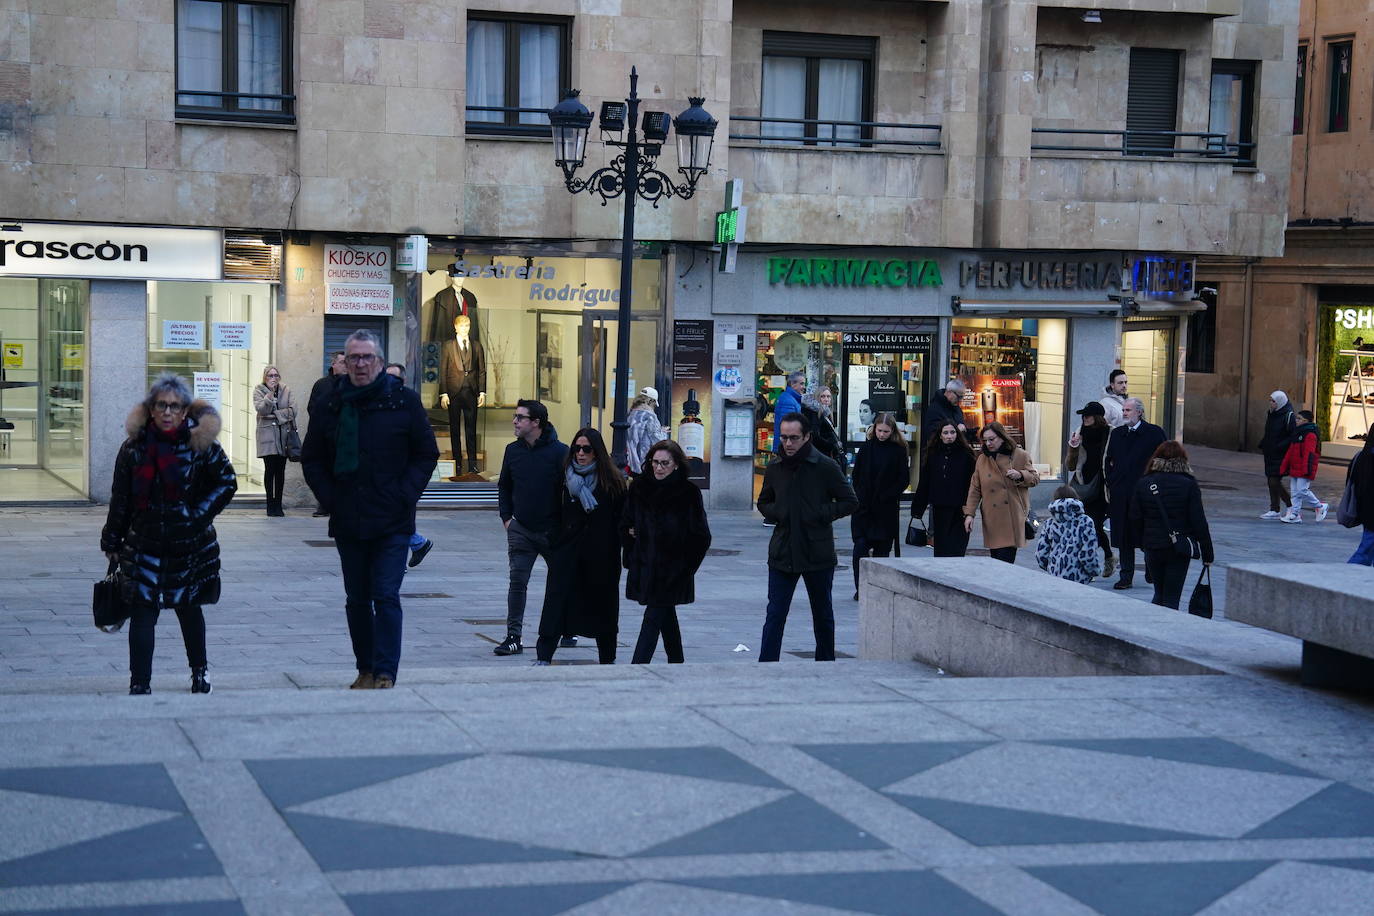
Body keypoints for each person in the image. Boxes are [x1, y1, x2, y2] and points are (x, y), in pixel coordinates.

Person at [301, 330, 439, 690]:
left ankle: (385, 673)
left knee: (386, 595)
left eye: (367, 357)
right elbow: (312, 457)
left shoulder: (403, 401)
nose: (360, 364)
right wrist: (330, 498)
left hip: (393, 519)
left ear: (378, 362)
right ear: (344, 362)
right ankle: (365, 667)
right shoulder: (331, 402)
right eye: (353, 358)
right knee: (357, 599)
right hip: (349, 516)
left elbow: (427, 454)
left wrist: (404, 494)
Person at [101, 373, 237, 695]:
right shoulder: (133, 448)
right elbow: (121, 497)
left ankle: (200, 673)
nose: (167, 412)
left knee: (189, 608)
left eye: (174, 406)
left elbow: (227, 482)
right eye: (161, 405)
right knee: (142, 610)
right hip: (144, 541)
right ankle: (140, 682)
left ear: (185, 411)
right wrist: (112, 539)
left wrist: (197, 515)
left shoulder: (200, 446)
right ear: (151, 409)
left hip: (188, 544)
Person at [757, 412, 858, 662]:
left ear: (807, 437)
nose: (788, 443)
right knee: (775, 614)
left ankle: (825, 663)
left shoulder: (824, 465)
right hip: (783, 551)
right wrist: (781, 512)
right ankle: (766, 664)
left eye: (794, 438)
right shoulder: (775, 466)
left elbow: (849, 501)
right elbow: (764, 502)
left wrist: (819, 513)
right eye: (784, 438)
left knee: (822, 614)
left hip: (817, 551)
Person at [534, 428, 627, 665]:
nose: (581, 453)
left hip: (601, 556)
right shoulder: (564, 479)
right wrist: (554, 541)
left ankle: (608, 658)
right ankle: (544, 655)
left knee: (603, 605)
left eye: (586, 449)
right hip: (567, 552)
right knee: (557, 603)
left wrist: (615, 545)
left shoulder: (613, 481)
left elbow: (622, 519)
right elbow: (552, 512)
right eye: (577, 448)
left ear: (597, 452)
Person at [621, 440, 712, 663]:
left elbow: (701, 536)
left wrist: (685, 568)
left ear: (676, 465)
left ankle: (638, 666)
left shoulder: (688, 492)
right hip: (645, 565)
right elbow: (624, 522)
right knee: (665, 614)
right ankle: (677, 661)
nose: (659, 468)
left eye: (664, 463)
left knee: (653, 616)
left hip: (673, 569)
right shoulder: (639, 487)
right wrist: (631, 538)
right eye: (655, 463)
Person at [495, 398, 569, 656]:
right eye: (515, 417)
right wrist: (507, 518)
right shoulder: (512, 451)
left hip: (552, 530)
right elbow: (504, 485)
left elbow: (568, 491)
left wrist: (563, 526)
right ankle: (513, 636)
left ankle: (565, 627)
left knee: (561, 581)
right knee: (517, 582)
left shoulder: (560, 452)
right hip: (521, 529)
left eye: (520, 417)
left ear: (536, 422)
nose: (515, 421)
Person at [1129, 441, 1214, 609]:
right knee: (1172, 597)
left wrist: (1142, 543)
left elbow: (1135, 518)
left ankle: (1154, 630)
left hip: (1153, 545)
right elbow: (1199, 521)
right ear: (1182, 460)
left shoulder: (1144, 483)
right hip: (1179, 548)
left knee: (1158, 594)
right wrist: (1207, 553)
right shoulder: (1189, 484)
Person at [1103, 397, 1167, 588]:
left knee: (1146, 532)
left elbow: (1163, 460)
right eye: (1123, 410)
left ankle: (1151, 568)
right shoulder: (1118, 434)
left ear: (1139, 412)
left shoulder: (1154, 433)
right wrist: (1112, 481)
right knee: (1124, 536)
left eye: (1128, 410)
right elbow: (1109, 460)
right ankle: (1126, 575)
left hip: (1144, 493)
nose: (1124, 414)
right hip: (1121, 494)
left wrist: (1154, 483)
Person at [849, 413, 909, 600]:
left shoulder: (898, 450)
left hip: (885, 509)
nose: (882, 434)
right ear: (874, 429)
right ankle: (861, 587)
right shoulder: (866, 449)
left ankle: (879, 587)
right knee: (860, 547)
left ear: (892, 432)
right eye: (879, 430)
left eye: (886, 431)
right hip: (864, 507)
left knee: (883, 551)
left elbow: (903, 479)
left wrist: (888, 495)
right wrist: (859, 495)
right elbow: (857, 475)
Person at [963, 421, 1040, 563]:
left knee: (1005, 561)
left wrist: (1021, 475)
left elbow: (1035, 478)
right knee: (996, 560)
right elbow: (975, 488)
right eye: (985, 440)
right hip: (992, 517)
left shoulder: (1020, 455)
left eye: (992, 439)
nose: (988, 443)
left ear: (1002, 437)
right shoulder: (982, 459)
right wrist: (969, 514)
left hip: (1011, 517)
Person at [385, 363, 433, 567]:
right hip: (382, 477)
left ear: (403, 381)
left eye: (393, 378)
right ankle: (418, 543)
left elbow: (426, 450)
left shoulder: (411, 403)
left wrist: (412, 484)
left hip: (403, 478)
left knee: (399, 518)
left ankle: (400, 561)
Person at [912, 421, 977, 557]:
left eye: (952, 432)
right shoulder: (933, 454)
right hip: (940, 507)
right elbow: (925, 481)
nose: (949, 436)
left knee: (957, 547)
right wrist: (918, 508)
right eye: (945, 433)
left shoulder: (966, 454)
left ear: (957, 434)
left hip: (960, 508)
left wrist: (971, 508)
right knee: (942, 548)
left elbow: (974, 483)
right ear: (940, 436)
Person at [1064, 401, 1114, 577]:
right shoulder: (1079, 434)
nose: (1084, 418)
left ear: (1097, 417)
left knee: (1095, 526)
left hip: (1102, 488)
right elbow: (1070, 466)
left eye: (1088, 415)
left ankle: (1101, 559)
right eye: (1083, 415)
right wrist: (1074, 446)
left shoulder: (1111, 433)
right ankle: (1097, 561)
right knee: (1087, 527)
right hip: (1083, 486)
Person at [437, 313, 486, 474]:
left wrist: (482, 392)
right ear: (455, 327)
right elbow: (442, 371)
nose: (465, 329)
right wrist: (443, 393)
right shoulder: (448, 346)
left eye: (467, 326)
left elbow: (482, 371)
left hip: (471, 392)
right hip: (453, 392)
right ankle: (457, 464)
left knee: (471, 430)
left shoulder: (477, 346)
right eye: (462, 326)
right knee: (455, 429)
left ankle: (472, 464)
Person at [253, 365, 297, 518]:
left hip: (283, 436)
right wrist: (269, 397)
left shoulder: (286, 389)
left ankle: (278, 504)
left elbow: (293, 411)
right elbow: (261, 410)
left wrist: (276, 415)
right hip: (267, 437)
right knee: (269, 470)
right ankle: (269, 504)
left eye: (276, 375)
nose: (273, 378)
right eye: (270, 376)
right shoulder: (259, 390)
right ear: (265, 377)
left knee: (280, 472)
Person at [1036, 485, 1104, 584]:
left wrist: (1052, 567)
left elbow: (1041, 553)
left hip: (1055, 575)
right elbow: (1088, 553)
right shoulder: (1085, 521)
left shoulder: (1049, 523)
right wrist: (1093, 571)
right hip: (1079, 576)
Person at [308, 351, 347, 517]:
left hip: (346, 438)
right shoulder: (322, 384)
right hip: (326, 437)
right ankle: (324, 505)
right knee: (325, 470)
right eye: (342, 362)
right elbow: (312, 408)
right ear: (334, 364)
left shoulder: (355, 384)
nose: (346, 365)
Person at [1279, 409, 1328, 523]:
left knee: (1302, 490)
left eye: (1299, 419)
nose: (1296, 420)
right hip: (1295, 467)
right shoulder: (1297, 433)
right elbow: (1290, 451)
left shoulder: (1310, 434)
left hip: (1304, 468)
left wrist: (1306, 469)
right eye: (1296, 418)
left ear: (1306, 421)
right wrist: (1284, 466)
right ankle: (1295, 514)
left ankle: (1320, 506)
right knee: (1295, 492)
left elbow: (1309, 454)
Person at [1258, 390, 1297, 519]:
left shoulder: (1288, 415)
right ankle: (1274, 509)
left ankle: (1290, 505)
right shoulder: (1272, 413)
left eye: (1273, 401)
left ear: (1280, 401)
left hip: (1281, 454)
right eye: (1270, 400)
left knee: (1274, 480)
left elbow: (1292, 435)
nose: (1271, 403)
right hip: (1270, 453)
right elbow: (1269, 431)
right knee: (1270, 480)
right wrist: (1264, 443)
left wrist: (1279, 446)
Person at [625, 386, 669, 476]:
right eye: (654, 405)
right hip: (645, 462)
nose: (654, 407)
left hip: (631, 461)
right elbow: (657, 441)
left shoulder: (631, 414)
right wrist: (663, 432)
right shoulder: (650, 416)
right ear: (650, 401)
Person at [1346, 425, 1374, 565]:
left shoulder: (1361, 455)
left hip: (1364, 506)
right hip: (1370, 508)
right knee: (1366, 548)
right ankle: (1350, 573)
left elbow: (1351, 482)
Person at [800, 386, 846, 467]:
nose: (826, 399)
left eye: (828, 396)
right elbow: (815, 436)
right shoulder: (815, 413)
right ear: (817, 398)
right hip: (821, 455)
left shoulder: (826, 412)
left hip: (826, 454)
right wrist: (831, 445)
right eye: (822, 396)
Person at [923, 378, 970, 442]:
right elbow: (932, 434)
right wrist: (956, 430)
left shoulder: (957, 409)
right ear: (949, 392)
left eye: (962, 397)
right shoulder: (935, 409)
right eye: (959, 397)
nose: (960, 400)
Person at [772, 371, 805, 453]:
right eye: (801, 384)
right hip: (787, 447)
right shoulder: (788, 401)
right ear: (793, 384)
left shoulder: (790, 398)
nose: (803, 387)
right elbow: (788, 428)